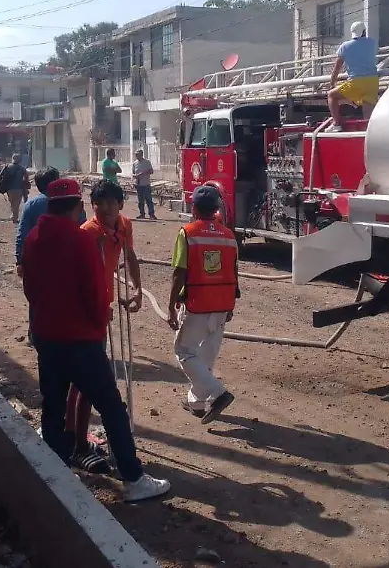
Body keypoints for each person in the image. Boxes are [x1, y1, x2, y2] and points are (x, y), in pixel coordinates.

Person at [20, 178, 170, 502]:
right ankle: (133, 478)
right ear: (76, 207)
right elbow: (93, 292)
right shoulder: (82, 238)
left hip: (48, 337)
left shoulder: (33, 238)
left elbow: (29, 288)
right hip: (81, 339)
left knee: (52, 405)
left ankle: (56, 473)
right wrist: (99, 318)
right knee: (113, 408)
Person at [67, 179, 144, 473]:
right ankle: (77, 444)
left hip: (104, 308)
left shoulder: (124, 225)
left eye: (111, 202)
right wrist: (96, 307)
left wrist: (137, 288)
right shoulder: (87, 234)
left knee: (87, 380)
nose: (104, 208)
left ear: (120, 204)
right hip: (87, 313)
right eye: (98, 203)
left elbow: (130, 255)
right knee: (85, 381)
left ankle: (74, 433)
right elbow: (75, 280)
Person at [168, 184, 239, 424]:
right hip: (222, 303)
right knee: (206, 356)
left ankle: (218, 393)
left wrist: (171, 304)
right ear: (217, 209)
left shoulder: (187, 233)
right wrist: (231, 306)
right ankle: (196, 402)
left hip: (198, 303)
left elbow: (179, 272)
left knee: (184, 351)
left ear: (194, 208)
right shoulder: (229, 235)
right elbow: (234, 270)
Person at [327, 21, 380, 132]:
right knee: (368, 117)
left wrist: (332, 83)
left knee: (331, 95)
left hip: (355, 83)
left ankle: (336, 124)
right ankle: (369, 133)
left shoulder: (345, 46)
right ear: (364, 32)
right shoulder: (372, 42)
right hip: (373, 82)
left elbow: (337, 67)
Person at [0, 153, 27, 223]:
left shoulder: (7, 167)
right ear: (20, 160)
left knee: (12, 203)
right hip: (19, 188)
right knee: (16, 204)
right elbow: (26, 178)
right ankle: (15, 218)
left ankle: (14, 215)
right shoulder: (22, 168)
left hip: (9, 189)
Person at [131, 149, 156, 220]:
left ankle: (151, 214)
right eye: (135, 155)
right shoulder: (135, 163)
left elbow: (151, 171)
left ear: (141, 155)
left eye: (137, 154)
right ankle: (142, 214)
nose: (136, 156)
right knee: (140, 201)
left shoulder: (147, 162)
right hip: (138, 184)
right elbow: (133, 173)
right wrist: (135, 176)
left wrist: (143, 173)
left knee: (149, 200)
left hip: (146, 184)